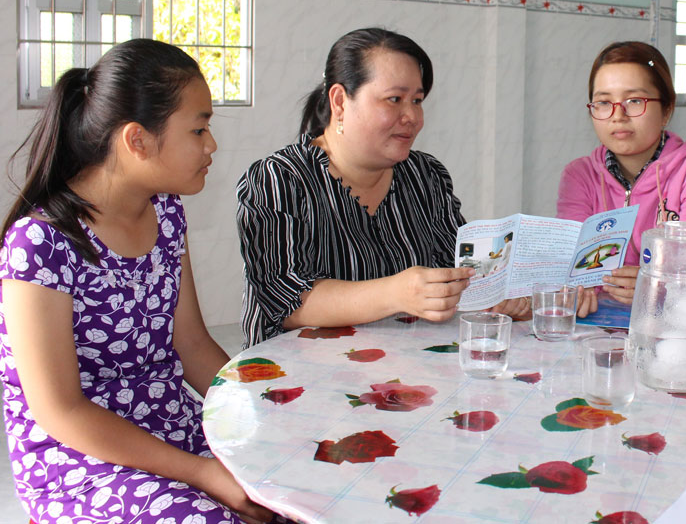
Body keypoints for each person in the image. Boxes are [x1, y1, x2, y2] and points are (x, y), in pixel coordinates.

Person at [0, 40, 273, 522]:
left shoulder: (167, 213)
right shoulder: (39, 244)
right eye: (199, 128)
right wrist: (202, 473)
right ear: (137, 140)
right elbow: (62, 412)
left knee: (298, 491)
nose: (211, 145)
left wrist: (267, 410)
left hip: (167, 422)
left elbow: (190, 344)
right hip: (79, 456)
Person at [237, 28, 528, 347]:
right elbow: (288, 301)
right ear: (339, 101)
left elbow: (457, 267)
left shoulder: (424, 175)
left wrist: (500, 293)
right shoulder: (279, 179)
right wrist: (397, 293)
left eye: (417, 101)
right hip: (299, 377)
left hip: (405, 372)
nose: (412, 117)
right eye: (394, 99)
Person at [557, 41, 686, 311]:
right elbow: (572, 262)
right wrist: (575, 289)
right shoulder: (579, 176)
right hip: (598, 325)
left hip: (678, 325)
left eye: (635, 101)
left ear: (667, 110)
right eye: (604, 102)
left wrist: (653, 283)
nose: (618, 116)